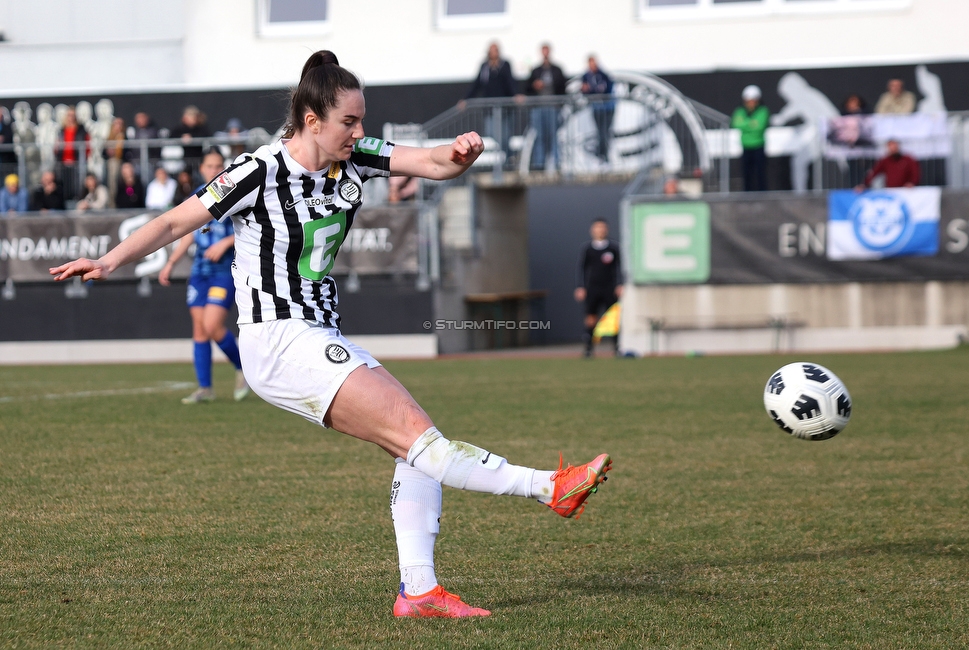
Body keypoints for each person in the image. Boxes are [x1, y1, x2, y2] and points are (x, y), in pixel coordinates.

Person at [50, 50, 613, 619]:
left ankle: (418, 591)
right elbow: (175, 221)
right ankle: (550, 487)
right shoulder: (260, 170)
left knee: (414, 449)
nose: (360, 132)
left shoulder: (358, 158)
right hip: (278, 338)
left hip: (316, 334)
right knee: (424, 443)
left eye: (362, 120)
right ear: (312, 121)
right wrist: (108, 260)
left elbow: (435, 163)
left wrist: (462, 154)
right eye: (349, 121)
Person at [158, 148, 249, 405]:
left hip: (223, 272)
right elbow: (187, 233)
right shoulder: (195, 197)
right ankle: (205, 388)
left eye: (219, 165)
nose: (215, 170)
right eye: (210, 166)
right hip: (199, 273)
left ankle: (243, 368)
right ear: (202, 169)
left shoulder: (235, 193)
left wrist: (226, 242)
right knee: (199, 329)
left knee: (212, 326)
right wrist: (171, 263)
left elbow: (251, 228)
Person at [459, 42, 520, 159]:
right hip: (490, 109)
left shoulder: (504, 65)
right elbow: (477, 85)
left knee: (505, 135)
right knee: (491, 131)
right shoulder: (484, 67)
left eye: (496, 50)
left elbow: (510, 82)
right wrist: (466, 99)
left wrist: (515, 94)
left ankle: (508, 160)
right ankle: (511, 155)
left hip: (504, 108)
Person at [574, 218, 623, 358]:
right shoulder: (587, 249)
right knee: (591, 317)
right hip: (593, 288)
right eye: (597, 227)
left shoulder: (613, 248)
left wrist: (620, 284)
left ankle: (617, 348)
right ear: (592, 230)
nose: (600, 230)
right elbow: (581, 268)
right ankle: (589, 348)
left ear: (606, 229)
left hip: (610, 288)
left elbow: (619, 267)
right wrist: (580, 287)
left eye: (602, 227)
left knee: (613, 318)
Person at [525, 43, 567, 171]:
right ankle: (540, 165)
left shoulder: (557, 70)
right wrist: (534, 85)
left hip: (553, 108)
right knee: (540, 137)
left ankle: (556, 164)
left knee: (553, 137)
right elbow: (527, 88)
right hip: (539, 108)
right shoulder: (536, 71)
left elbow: (562, 87)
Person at [731, 85, 769, 192]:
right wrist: (751, 124)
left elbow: (760, 126)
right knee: (747, 174)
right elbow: (736, 123)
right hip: (746, 146)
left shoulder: (763, 111)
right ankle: (747, 195)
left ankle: (763, 195)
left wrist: (745, 124)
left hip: (759, 146)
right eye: (748, 101)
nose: (750, 103)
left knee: (760, 173)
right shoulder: (740, 111)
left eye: (753, 100)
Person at [580, 55, 615, 164]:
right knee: (600, 131)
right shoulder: (586, 76)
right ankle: (602, 154)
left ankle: (604, 154)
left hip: (607, 108)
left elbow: (608, 88)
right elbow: (585, 91)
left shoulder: (603, 75)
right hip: (596, 108)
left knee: (605, 131)